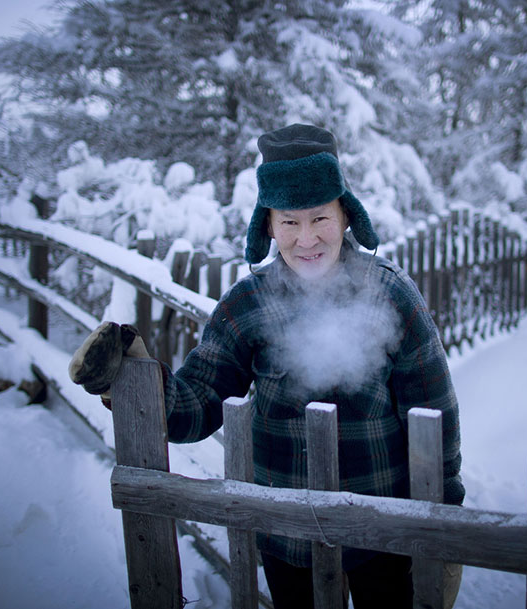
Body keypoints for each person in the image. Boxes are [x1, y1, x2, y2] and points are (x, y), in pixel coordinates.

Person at [70, 124, 463, 608]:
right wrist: (131, 379)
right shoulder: (246, 305)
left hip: (381, 531)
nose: (306, 239)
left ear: (345, 214)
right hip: (286, 535)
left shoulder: (391, 294)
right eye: (289, 222)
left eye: (320, 218)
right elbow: (197, 406)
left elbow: (434, 413)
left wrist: (447, 525)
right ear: (269, 225)